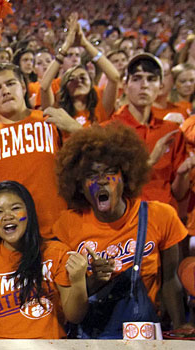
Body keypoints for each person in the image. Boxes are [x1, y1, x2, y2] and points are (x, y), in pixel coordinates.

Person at [53, 124, 187, 330]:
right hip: (91, 337)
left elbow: (170, 280)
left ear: (125, 176)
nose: (102, 181)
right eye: (92, 175)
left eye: (110, 172)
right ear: (79, 184)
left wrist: (180, 327)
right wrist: (95, 280)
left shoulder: (161, 215)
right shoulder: (66, 225)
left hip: (143, 335)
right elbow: (68, 301)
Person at [0, 62, 78, 239]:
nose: (5, 91)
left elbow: (97, 163)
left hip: (57, 234)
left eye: (10, 84)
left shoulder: (52, 123)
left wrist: (76, 129)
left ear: (23, 87)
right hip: (7, 240)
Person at [0, 181, 88, 338]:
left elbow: (75, 316)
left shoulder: (55, 252)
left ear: (29, 212)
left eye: (15, 208)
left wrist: (78, 282)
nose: (7, 216)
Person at [109, 53, 190, 206]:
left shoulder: (171, 131)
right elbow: (109, 186)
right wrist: (151, 161)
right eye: (137, 78)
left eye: (151, 79)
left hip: (164, 218)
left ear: (160, 87)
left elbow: (179, 193)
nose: (144, 85)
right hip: (126, 220)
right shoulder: (110, 130)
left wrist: (182, 174)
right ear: (125, 86)